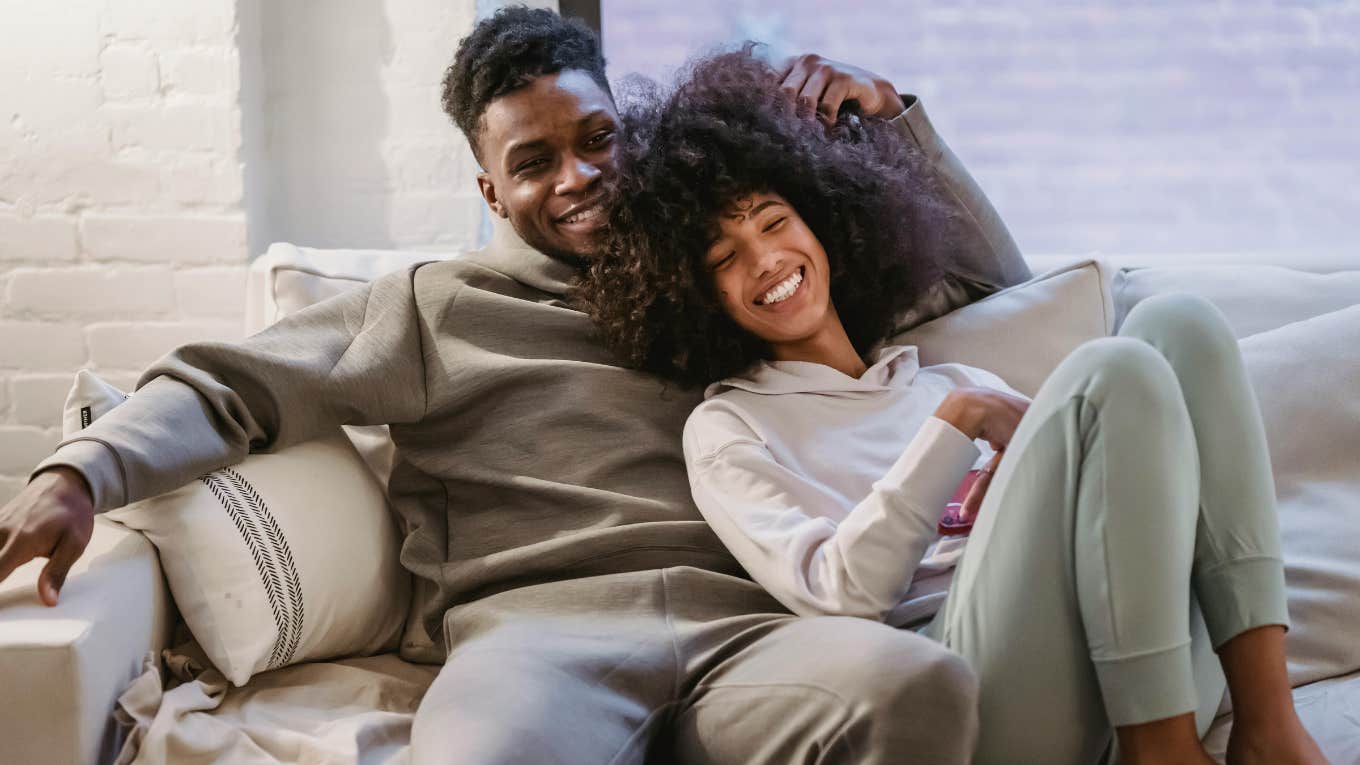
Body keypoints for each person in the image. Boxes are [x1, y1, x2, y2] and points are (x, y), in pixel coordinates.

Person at [0, 9, 1031, 764]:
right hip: (541, 638)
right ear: (490, 187)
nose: (576, 177)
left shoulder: (720, 272)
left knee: (913, 686)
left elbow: (982, 287)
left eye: (595, 140)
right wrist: (82, 472)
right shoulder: (431, 305)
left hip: (756, 625)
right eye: (534, 162)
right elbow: (232, 385)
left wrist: (895, 121)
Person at [577, 48, 1330, 765]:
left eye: (774, 221)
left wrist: (1008, 456)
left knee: (1183, 326)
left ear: (821, 220)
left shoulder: (938, 375)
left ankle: (1267, 727)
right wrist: (955, 429)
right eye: (724, 258)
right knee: (1117, 366)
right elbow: (839, 591)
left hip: (1138, 663)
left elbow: (1111, 465)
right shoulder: (731, 426)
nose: (766, 259)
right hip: (987, 693)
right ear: (697, 297)